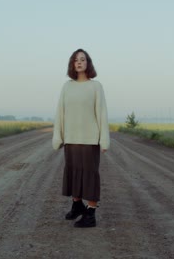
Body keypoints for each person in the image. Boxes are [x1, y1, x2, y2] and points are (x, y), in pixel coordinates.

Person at [52, 48, 110, 228]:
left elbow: (101, 113)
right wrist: (58, 136)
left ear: (88, 63)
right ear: (72, 64)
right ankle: (77, 205)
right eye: (76, 60)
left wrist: (104, 139)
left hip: (90, 140)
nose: (79, 62)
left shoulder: (96, 86)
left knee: (90, 176)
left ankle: (90, 214)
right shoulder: (67, 86)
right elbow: (60, 112)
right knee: (73, 173)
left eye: (83, 59)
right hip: (71, 139)